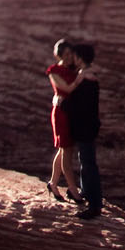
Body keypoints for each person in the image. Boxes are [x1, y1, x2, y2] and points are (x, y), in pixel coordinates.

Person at [45, 38, 85, 204]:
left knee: (63, 150)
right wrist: (81, 77)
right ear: (59, 55)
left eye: (71, 54)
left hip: (71, 112)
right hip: (61, 113)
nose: (69, 57)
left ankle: (53, 183)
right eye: (66, 54)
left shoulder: (73, 70)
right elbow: (66, 89)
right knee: (66, 151)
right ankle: (74, 191)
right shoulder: (54, 71)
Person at [65, 42, 102, 219]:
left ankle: (94, 205)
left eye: (76, 56)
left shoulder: (87, 78)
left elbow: (82, 105)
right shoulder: (87, 75)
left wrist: (63, 104)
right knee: (85, 162)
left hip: (85, 127)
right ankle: (87, 194)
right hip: (87, 126)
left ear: (80, 58)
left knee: (88, 165)